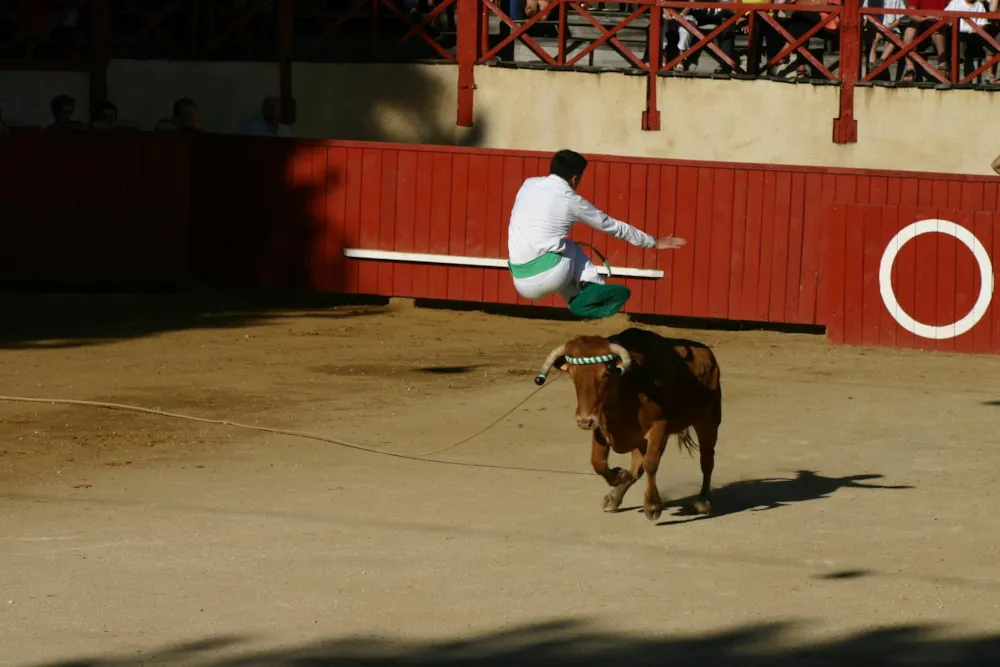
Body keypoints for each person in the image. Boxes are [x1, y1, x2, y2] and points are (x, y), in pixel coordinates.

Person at [506, 149, 685, 316]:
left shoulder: (528, 184)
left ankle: (574, 298)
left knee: (561, 252)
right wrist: (653, 242)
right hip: (551, 276)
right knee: (570, 248)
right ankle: (594, 286)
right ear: (575, 179)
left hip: (519, 281)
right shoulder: (571, 200)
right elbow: (612, 226)